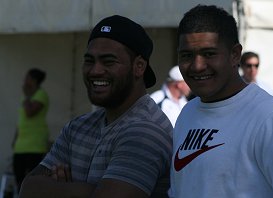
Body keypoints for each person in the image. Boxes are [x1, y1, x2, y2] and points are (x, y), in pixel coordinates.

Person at [19, 15, 173, 198]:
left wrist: (57, 189)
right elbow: (27, 189)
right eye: (89, 61)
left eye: (108, 61)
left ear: (139, 66)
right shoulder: (77, 127)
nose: (95, 70)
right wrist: (91, 190)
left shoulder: (146, 130)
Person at [169, 4, 273, 198]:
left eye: (209, 54)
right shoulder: (187, 113)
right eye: (187, 55)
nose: (197, 66)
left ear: (235, 55)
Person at [12, 68, 49, 192]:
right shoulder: (26, 97)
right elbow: (21, 119)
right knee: (19, 179)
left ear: (34, 80)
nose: (24, 81)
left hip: (35, 145)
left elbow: (29, 112)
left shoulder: (41, 95)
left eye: (27, 78)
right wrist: (15, 139)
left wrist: (27, 96)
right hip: (21, 145)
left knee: (31, 182)